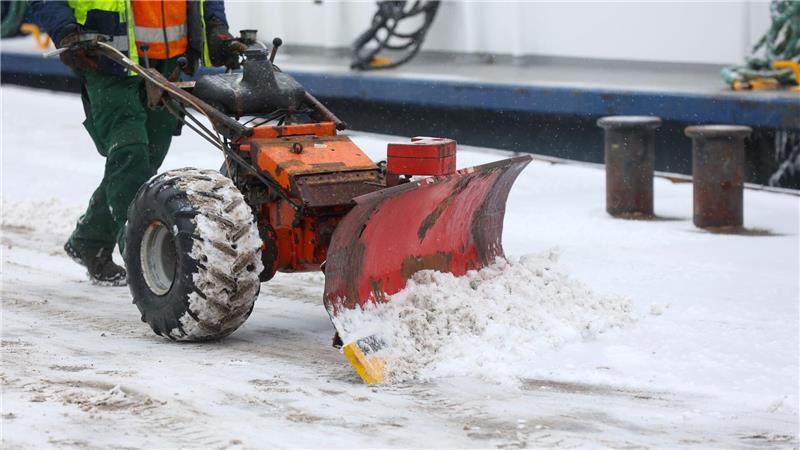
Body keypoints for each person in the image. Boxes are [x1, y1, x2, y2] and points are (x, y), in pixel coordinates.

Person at [30, 0, 246, 286]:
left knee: (144, 160)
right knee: (130, 153)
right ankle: (142, 260)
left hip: (168, 61)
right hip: (106, 56)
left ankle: (89, 240)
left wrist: (216, 28)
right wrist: (66, 30)